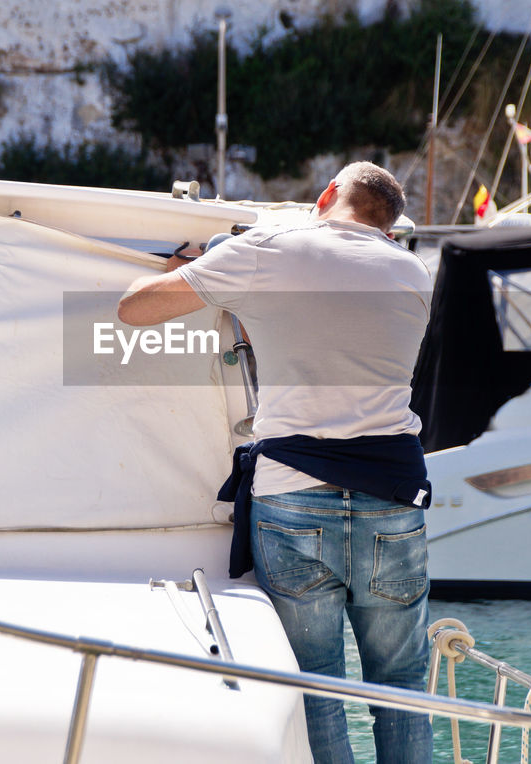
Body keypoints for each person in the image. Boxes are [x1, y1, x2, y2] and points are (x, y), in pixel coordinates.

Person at [118, 162, 434, 764]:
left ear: (325, 197)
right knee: (402, 688)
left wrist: (195, 267)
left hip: (294, 498)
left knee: (314, 686)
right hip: (395, 498)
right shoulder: (413, 271)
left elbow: (133, 311)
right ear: (390, 222)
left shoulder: (265, 250)